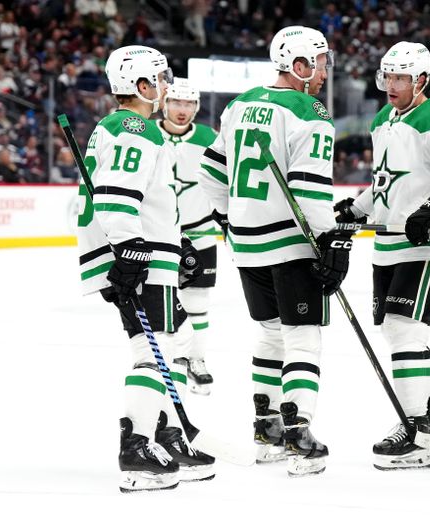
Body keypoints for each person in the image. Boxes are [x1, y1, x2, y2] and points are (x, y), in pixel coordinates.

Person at [334, 42, 430, 470]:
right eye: (387, 76)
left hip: (429, 242)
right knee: (399, 334)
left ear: (420, 80)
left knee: (405, 330)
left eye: (400, 77)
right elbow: (388, 183)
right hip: (388, 244)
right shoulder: (384, 118)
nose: (390, 85)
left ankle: (416, 429)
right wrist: (358, 207)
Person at [198, 25, 348, 477]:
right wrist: (332, 241)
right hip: (289, 241)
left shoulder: (239, 104)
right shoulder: (309, 110)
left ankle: (266, 429)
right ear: (299, 66)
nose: (324, 71)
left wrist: (233, 218)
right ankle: (298, 429)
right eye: (319, 62)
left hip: (246, 244)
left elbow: (210, 171)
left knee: (268, 331)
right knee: (302, 335)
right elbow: (309, 188)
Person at [77, 45, 213, 493]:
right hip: (140, 256)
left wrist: (181, 243)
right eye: (159, 77)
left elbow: (144, 199)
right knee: (162, 347)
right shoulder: (136, 127)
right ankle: (137, 445)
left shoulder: (120, 126)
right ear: (140, 85)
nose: (166, 84)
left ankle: (161, 435)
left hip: (143, 251)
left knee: (158, 345)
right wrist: (133, 249)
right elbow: (117, 196)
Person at [157, 77, 219, 395]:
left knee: (198, 302)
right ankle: (169, 360)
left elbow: (224, 181)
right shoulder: (150, 136)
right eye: (176, 103)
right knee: (162, 302)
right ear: (164, 104)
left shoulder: (208, 137)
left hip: (201, 233)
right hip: (161, 236)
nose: (183, 110)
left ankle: (197, 359)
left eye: (189, 104)